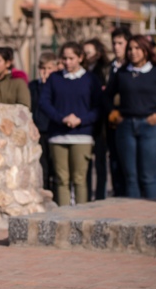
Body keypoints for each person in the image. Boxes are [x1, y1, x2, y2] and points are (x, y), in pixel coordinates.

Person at [106, 36, 156, 199]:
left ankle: (155, 218)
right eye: (130, 49)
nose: (133, 52)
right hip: (126, 127)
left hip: (151, 127)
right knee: (131, 178)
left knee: (149, 177)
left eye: (137, 48)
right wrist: (114, 113)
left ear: (146, 50)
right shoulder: (122, 73)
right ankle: (134, 220)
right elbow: (107, 96)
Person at [40, 42, 102, 206]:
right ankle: (63, 217)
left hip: (82, 135)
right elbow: (45, 102)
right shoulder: (55, 78)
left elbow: (98, 107)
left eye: (71, 58)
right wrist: (62, 118)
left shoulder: (90, 79)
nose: (67, 62)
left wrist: (81, 120)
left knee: (80, 179)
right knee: (61, 179)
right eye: (64, 58)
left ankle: (80, 217)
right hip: (58, 136)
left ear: (80, 58)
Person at [82, 38, 110, 200]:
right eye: (83, 53)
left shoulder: (105, 71)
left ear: (98, 54)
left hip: (101, 122)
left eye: (89, 53)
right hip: (85, 119)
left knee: (100, 161)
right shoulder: (81, 72)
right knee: (85, 163)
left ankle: (100, 196)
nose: (86, 56)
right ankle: (84, 196)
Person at [29, 52, 58, 193]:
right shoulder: (33, 86)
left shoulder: (58, 86)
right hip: (39, 131)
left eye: (49, 69)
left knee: (56, 168)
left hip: (54, 131)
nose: (45, 72)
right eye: (42, 68)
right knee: (42, 167)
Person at [107, 27, 131, 197]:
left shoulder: (133, 67)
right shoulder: (109, 67)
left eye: (120, 43)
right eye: (114, 43)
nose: (116, 47)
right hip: (112, 122)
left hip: (130, 120)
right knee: (114, 164)